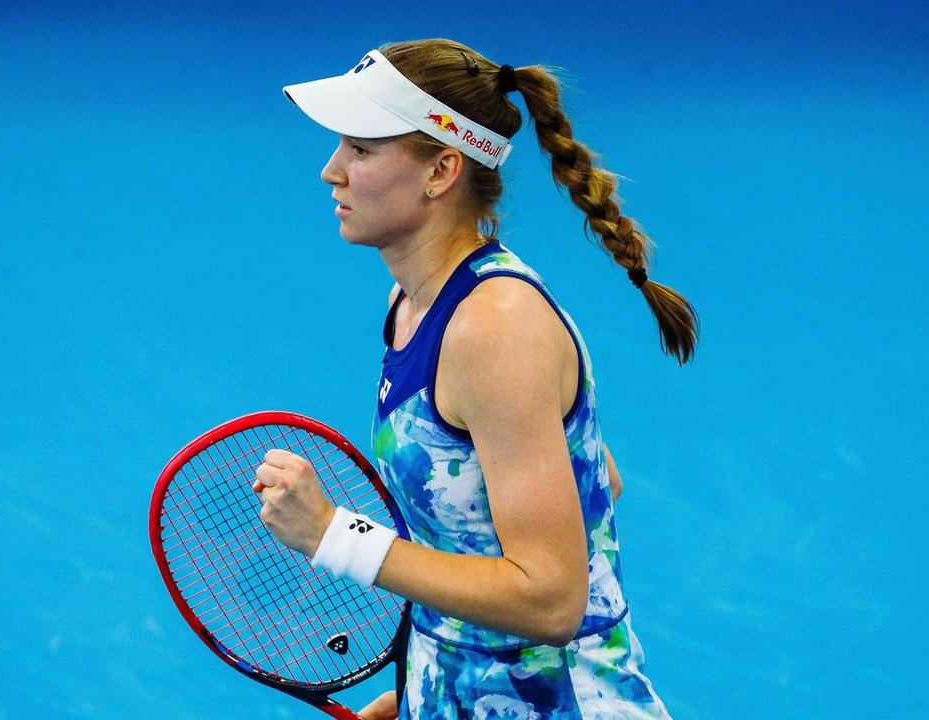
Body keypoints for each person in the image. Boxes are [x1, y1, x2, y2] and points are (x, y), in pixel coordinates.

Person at [253, 38, 698, 719]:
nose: (330, 171)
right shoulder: (417, 304)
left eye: (362, 150)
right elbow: (594, 481)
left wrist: (332, 537)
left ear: (441, 171)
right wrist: (428, 680)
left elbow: (551, 600)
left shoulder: (493, 328)